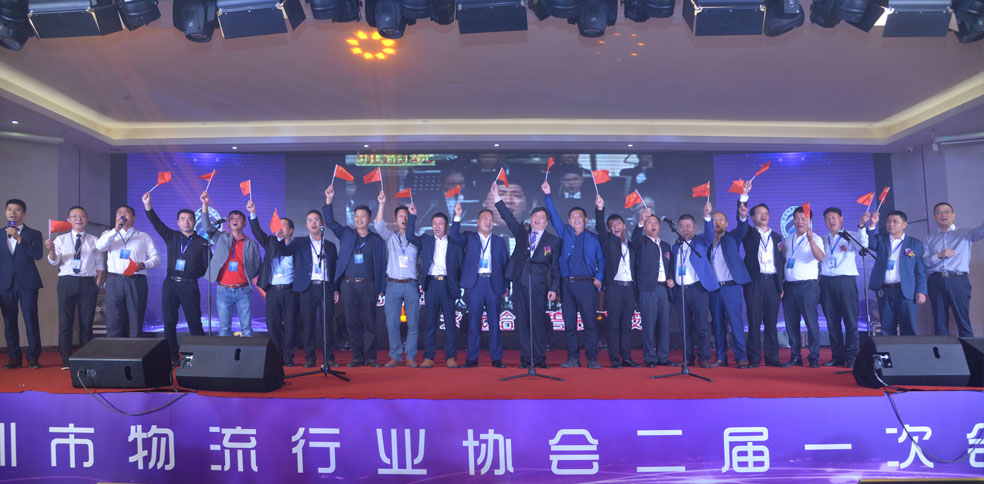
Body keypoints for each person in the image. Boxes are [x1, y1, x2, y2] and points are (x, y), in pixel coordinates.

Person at [494, 182, 559, 369]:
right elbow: (508, 218)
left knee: (538, 322)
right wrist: (497, 198)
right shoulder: (522, 233)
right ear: (530, 219)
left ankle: (539, 357)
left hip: (539, 285)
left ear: (546, 222)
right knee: (522, 322)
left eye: (541, 218)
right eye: (534, 217)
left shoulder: (553, 241)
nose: (537, 220)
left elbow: (556, 267)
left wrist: (554, 288)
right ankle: (525, 358)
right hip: (520, 283)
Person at [542, 181, 605, 369]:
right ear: (569, 221)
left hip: (586, 285)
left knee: (590, 324)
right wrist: (548, 194)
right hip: (567, 284)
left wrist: (600, 276)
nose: (576, 219)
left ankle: (592, 359)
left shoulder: (593, 239)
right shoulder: (565, 233)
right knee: (569, 324)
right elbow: (553, 215)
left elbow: (601, 260)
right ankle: (572, 358)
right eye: (573, 217)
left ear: (585, 220)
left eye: (579, 216)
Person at [324, 185, 387, 367]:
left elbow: (382, 265)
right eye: (356, 216)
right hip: (348, 285)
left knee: (370, 323)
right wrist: (329, 200)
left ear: (369, 219)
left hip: (369, 285)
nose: (359, 219)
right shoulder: (346, 234)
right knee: (352, 323)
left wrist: (381, 289)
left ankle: (372, 357)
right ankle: (357, 357)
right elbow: (330, 221)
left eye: (363, 216)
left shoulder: (376, 240)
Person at [144, 192, 207, 365]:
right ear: (178, 222)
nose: (186, 222)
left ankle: (199, 357)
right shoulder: (171, 236)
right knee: (169, 322)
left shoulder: (202, 242)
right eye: (182, 219)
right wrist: (148, 205)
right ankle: (172, 356)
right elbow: (156, 223)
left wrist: (192, 274)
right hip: (170, 284)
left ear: (194, 222)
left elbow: (207, 267)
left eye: (189, 219)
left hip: (189, 286)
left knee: (194, 322)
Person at [450, 199, 509, 368]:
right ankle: (472, 358)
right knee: (474, 322)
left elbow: (505, 264)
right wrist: (457, 216)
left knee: (494, 323)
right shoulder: (469, 237)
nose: (488, 222)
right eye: (485, 218)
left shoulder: (499, 241)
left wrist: (506, 286)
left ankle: (496, 358)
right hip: (475, 284)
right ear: (477, 222)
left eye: (491, 219)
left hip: (493, 284)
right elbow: (454, 236)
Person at [46, 206, 105, 369]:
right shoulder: (60, 239)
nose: (79, 219)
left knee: (87, 323)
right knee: (66, 322)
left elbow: (100, 263)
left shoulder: (94, 240)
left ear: (86, 220)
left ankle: (85, 357)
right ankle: (66, 358)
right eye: (75, 216)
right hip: (67, 281)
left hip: (88, 283)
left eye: (82, 216)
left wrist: (97, 283)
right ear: (69, 220)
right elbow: (54, 262)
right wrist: (51, 251)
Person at [281, 208, 339, 368]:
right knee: (308, 324)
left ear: (322, 223)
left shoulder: (331, 246)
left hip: (325, 287)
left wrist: (335, 288)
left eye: (316, 220)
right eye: (310, 220)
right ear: (306, 225)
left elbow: (335, 269)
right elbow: (284, 251)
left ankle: (329, 357)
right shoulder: (299, 242)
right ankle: (310, 357)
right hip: (307, 288)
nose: (313, 223)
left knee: (327, 324)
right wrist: (280, 239)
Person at [407, 211, 463, 368]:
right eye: (435, 224)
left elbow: (461, 266)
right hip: (431, 284)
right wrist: (412, 216)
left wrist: (456, 283)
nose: (437, 227)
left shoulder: (455, 244)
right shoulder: (426, 240)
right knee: (430, 322)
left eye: (441, 224)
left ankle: (451, 356)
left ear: (447, 226)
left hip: (447, 284)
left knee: (450, 323)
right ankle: (428, 357)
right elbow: (410, 236)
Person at [201, 191, 261, 338]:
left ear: (244, 223)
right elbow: (206, 226)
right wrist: (205, 205)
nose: (235, 220)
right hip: (223, 290)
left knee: (247, 330)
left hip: (243, 290)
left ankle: (247, 353)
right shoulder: (221, 237)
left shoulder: (251, 243)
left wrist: (245, 277)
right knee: (224, 330)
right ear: (228, 223)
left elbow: (257, 265)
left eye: (238, 218)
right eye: (232, 218)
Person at [96, 204, 160, 338]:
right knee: (114, 318)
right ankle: (114, 349)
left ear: (134, 218)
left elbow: (156, 259)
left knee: (135, 318)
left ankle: (134, 349)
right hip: (114, 280)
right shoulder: (108, 235)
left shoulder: (144, 237)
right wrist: (115, 230)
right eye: (119, 213)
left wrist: (142, 264)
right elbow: (100, 247)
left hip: (136, 280)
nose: (122, 215)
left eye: (126, 213)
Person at [247, 200, 298, 366]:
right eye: (278, 225)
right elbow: (256, 231)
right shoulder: (270, 241)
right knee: (273, 325)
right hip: (273, 291)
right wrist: (252, 212)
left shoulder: (297, 245)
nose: (280, 228)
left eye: (284, 226)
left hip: (290, 291)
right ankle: (277, 355)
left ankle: (289, 356)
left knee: (291, 325)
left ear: (291, 230)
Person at [819, 207, 871, 368]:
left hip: (846, 281)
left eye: (834, 217)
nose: (831, 221)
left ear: (841, 219)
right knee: (832, 321)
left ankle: (852, 356)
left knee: (850, 320)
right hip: (826, 282)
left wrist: (861, 226)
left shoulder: (851, 236)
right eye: (828, 218)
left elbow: (864, 245)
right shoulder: (822, 239)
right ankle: (837, 356)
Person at [375, 191, 421, 368]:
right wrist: (381, 204)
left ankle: (410, 356)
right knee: (392, 323)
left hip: (411, 285)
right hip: (392, 284)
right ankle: (395, 356)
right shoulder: (391, 237)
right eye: (400, 216)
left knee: (413, 323)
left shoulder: (416, 240)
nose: (404, 218)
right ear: (395, 219)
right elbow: (378, 226)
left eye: (406, 216)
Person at [923, 202, 984, 337]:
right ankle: (942, 351)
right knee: (939, 323)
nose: (943, 215)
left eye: (946, 212)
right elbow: (924, 262)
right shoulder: (929, 239)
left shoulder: (966, 232)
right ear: (934, 217)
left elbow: (982, 231)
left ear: (953, 215)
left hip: (958, 280)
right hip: (936, 280)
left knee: (963, 321)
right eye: (939, 212)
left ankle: (969, 351)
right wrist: (939, 255)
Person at [707, 186, 751, 368]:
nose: (717, 223)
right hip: (714, 289)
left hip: (731, 287)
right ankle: (721, 357)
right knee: (717, 325)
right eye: (714, 220)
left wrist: (743, 202)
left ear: (726, 223)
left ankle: (740, 357)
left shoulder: (733, 237)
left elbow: (742, 226)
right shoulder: (707, 242)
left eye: (720, 220)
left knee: (735, 323)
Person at [740, 196, 786, 368]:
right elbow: (741, 221)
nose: (763, 215)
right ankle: (754, 359)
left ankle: (772, 357)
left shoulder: (777, 237)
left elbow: (780, 262)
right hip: (754, 282)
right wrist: (743, 200)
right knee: (754, 321)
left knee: (771, 322)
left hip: (772, 282)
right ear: (752, 217)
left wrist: (780, 285)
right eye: (759, 213)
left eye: (766, 212)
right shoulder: (748, 234)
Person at [595, 195, 639, 368]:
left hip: (629, 288)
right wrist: (600, 208)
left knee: (626, 325)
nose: (616, 227)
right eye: (612, 225)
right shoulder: (608, 241)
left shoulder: (631, 245)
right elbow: (600, 227)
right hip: (614, 288)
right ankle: (614, 358)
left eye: (618, 223)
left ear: (624, 225)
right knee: (613, 324)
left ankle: (626, 357)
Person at [867, 210, 928, 336]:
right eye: (888, 221)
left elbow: (919, 270)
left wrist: (921, 290)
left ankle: (909, 349)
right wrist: (872, 225)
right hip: (885, 290)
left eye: (895, 221)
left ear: (904, 224)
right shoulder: (881, 239)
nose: (891, 224)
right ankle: (890, 349)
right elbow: (871, 244)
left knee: (908, 326)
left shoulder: (914, 243)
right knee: (887, 327)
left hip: (905, 290)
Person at [673, 204, 719, 368]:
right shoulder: (676, 246)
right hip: (680, 291)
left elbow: (710, 235)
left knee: (702, 326)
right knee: (684, 328)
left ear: (694, 227)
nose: (684, 229)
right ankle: (688, 357)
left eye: (688, 226)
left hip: (697, 289)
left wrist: (707, 216)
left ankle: (704, 357)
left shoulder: (700, 241)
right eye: (681, 226)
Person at [1, 199, 44, 369]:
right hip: (5, 283)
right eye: (9, 209)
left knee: (30, 320)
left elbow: (37, 255)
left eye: (17, 209)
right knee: (9, 322)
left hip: (28, 282)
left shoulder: (34, 234)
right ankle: (14, 357)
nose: (12, 212)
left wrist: (19, 238)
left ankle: (33, 357)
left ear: (24, 214)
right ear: (6, 212)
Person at [781, 206, 825, 368]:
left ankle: (814, 357)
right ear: (793, 221)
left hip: (808, 287)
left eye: (803, 219)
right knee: (791, 324)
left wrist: (810, 240)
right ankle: (795, 356)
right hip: (789, 287)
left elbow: (820, 257)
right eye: (797, 219)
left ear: (810, 221)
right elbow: (784, 261)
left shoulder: (816, 238)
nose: (800, 222)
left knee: (811, 323)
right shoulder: (788, 239)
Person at [632, 208, 676, 367]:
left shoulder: (666, 246)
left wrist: (671, 278)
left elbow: (670, 267)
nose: (653, 225)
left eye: (655, 222)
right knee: (649, 325)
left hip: (664, 289)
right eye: (649, 222)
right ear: (645, 226)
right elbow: (635, 237)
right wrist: (641, 220)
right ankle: (650, 357)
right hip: (648, 289)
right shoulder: (641, 243)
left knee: (664, 325)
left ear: (659, 226)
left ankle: (663, 357)